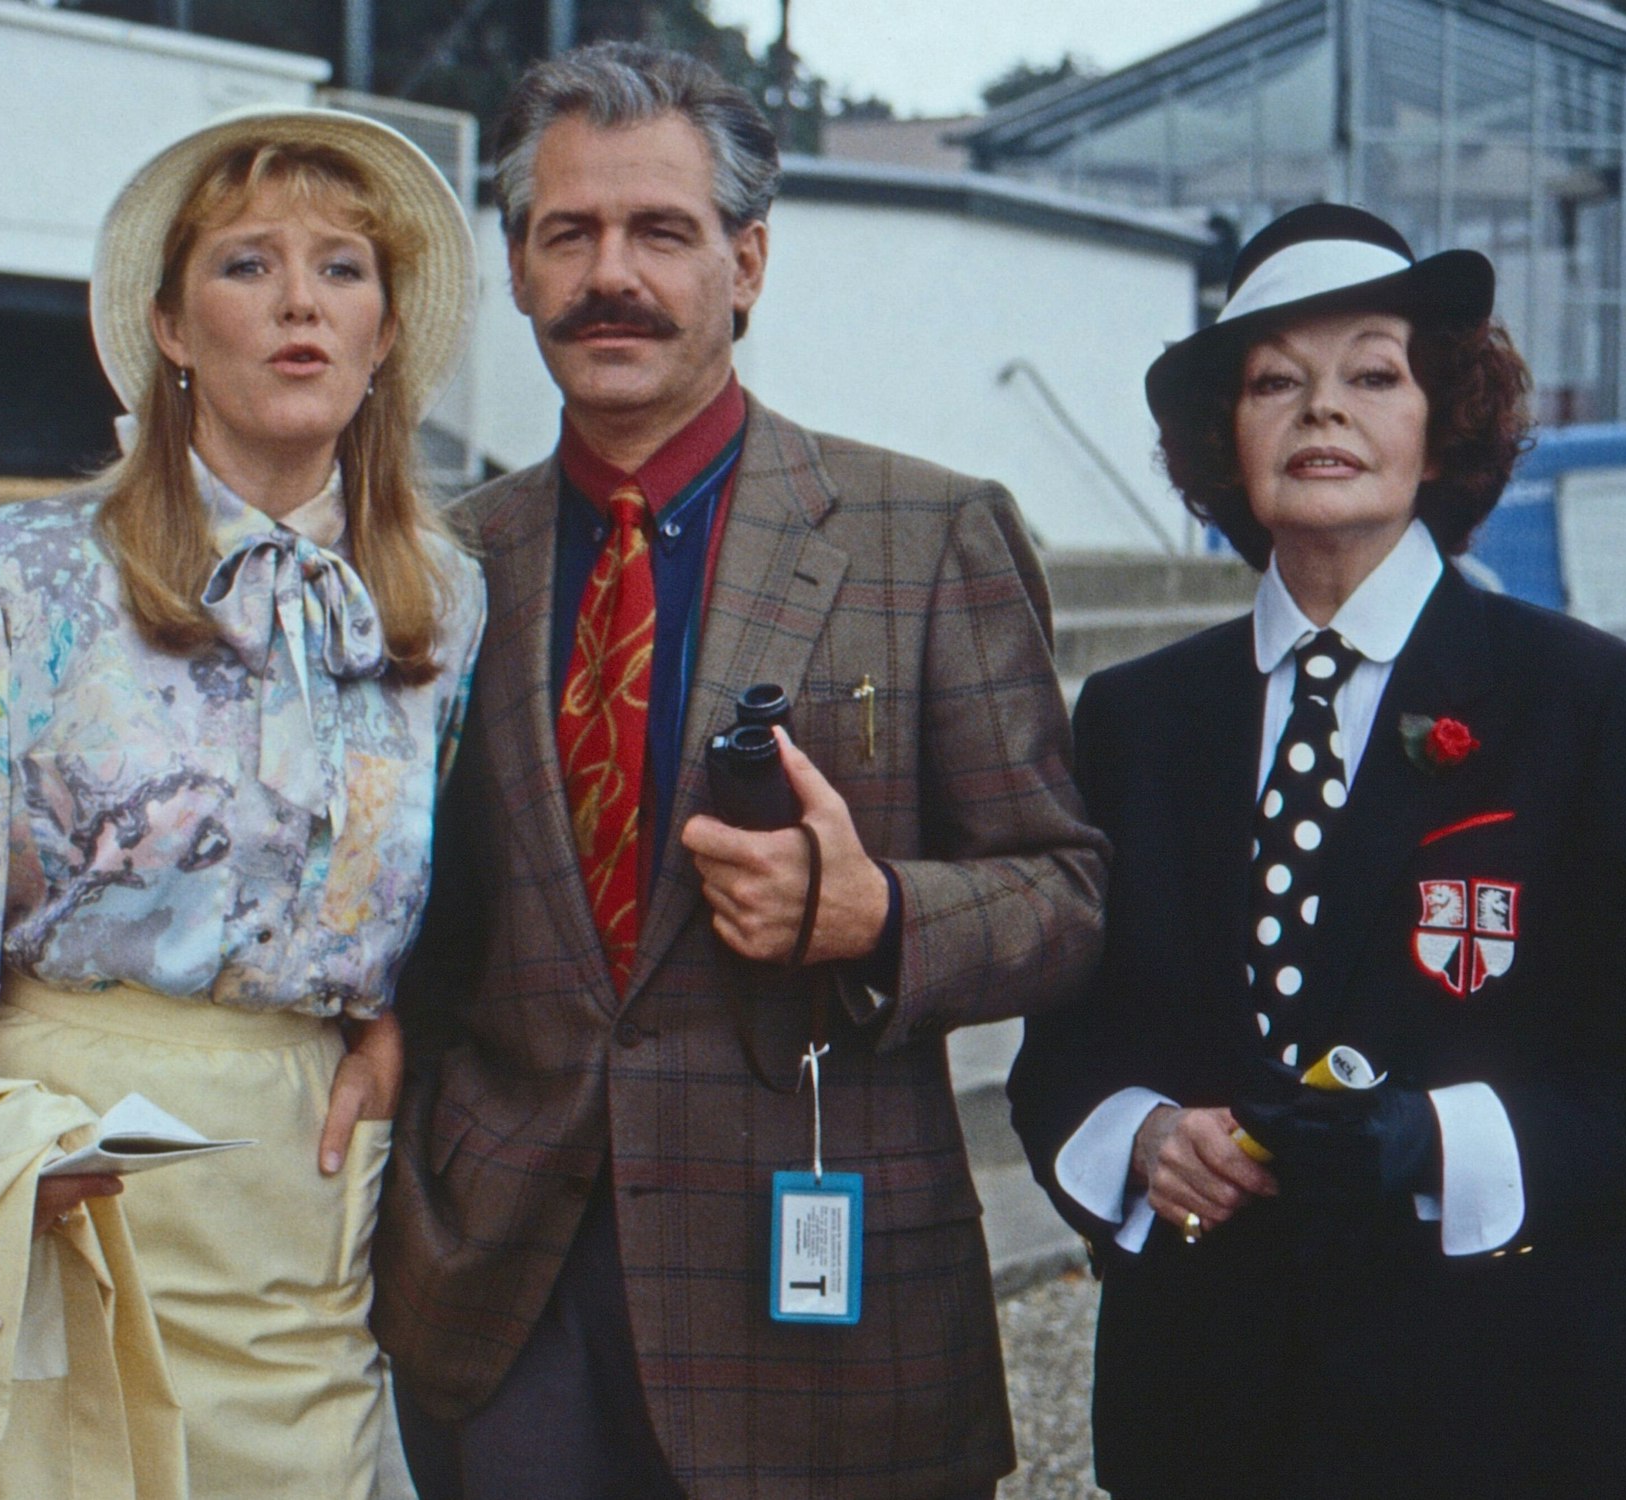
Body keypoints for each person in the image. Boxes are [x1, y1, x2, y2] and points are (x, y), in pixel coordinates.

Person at [373, 41, 1108, 1500]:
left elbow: (1068, 892)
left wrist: (881, 914)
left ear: (746, 262)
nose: (610, 274)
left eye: (661, 230)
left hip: (819, 1294)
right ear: (516, 267)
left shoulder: (927, 534)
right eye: (567, 233)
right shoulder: (439, 565)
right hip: (508, 1293)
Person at [0, 106, 483, 1498]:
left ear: (385, 334)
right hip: (64, 1193)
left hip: (301, 1218)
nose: (299, 305)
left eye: (342, 269)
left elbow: (398, 889)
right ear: (167, 325)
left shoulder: (444, 600)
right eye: (248, 265)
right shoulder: (16, 574)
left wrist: (383, 1031)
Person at [1007, 202, 1626, 1499]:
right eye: (1274, 380)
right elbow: (1066, 1053)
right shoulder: (1136, 719)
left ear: (1443, 419)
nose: (1321, 410)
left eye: (1372, 373)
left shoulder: (1590, 704)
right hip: (1213, 1418)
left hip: (1512, 1411)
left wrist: (1436, 1144)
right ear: (1222, 439)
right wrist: (1137, 1137)